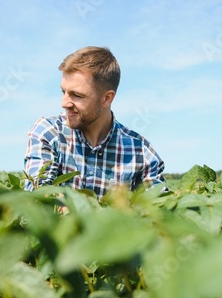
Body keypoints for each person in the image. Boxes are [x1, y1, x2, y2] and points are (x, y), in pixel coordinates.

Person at [24, 46, 166, 199]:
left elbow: (158, 212)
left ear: (107, 98)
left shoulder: (141, 152)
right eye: (63, 92)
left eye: (76, 95)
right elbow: (38, 196)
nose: (64, 103)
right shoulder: (49, 133)